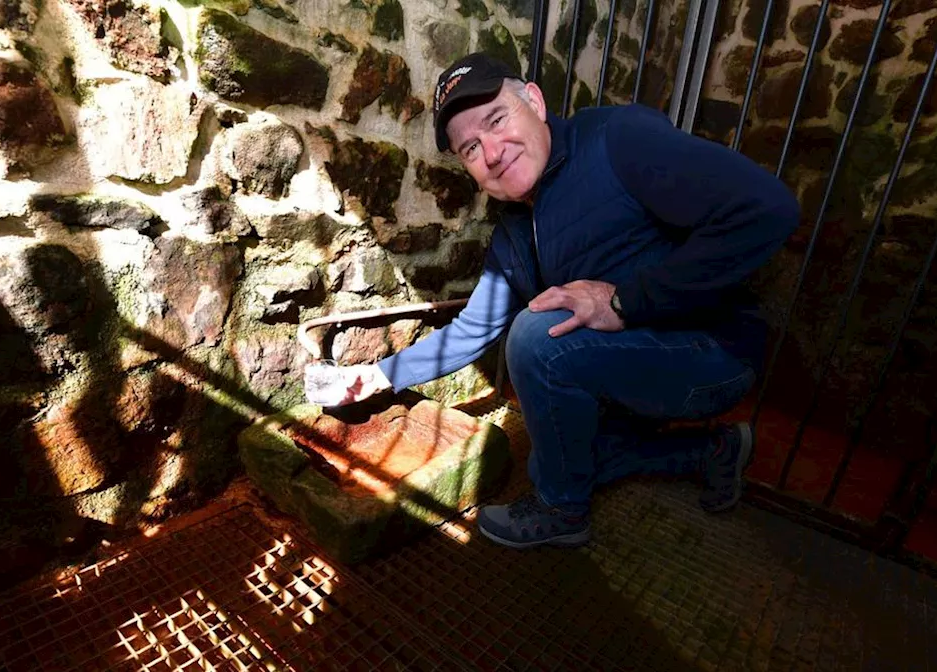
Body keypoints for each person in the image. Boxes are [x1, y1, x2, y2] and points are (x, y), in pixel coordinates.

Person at [316, 52, 800, 550]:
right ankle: (714, 450)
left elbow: (768, 209)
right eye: (470, 148)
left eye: (497, 120)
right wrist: (377, 376)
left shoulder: (618, 139)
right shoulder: (513, 230)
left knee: (534, 335)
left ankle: (562, 510)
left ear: (535, 101)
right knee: (566, 451)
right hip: (634, 364)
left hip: (712, 357)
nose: (492, 151)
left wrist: (624, 301)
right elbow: (472, 331)